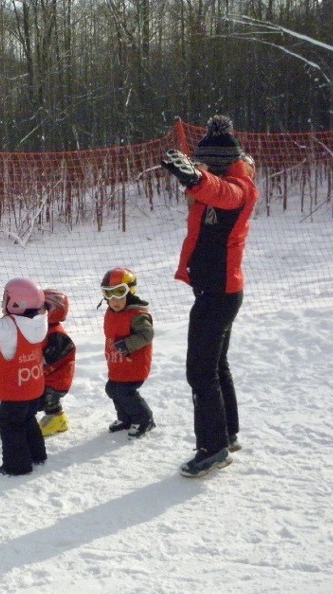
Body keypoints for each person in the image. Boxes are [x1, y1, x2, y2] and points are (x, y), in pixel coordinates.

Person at [161, 114, 259, 478]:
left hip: (219, 294)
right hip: (217, 290)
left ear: (215, 164)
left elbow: (221, 192)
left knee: (200, 372)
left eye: (203, 162)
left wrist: (194, 177)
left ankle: (212, 448)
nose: (198, 165)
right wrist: (196, 179)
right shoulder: (220, 185)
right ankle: (227, 434)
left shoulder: (238, 188)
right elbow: (210, 192)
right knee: (216, 365)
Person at [0, 270, 48, 476]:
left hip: (15, 391)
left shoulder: (9, 327)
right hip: (33, 387)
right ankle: (37, 455)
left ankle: (17, 466)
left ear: (16, 304)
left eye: (6, 298)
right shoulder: (40, 321)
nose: (2, 302)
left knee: (10, 425)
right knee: (28, 418)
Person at [100, 268, 155, 439]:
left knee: (125, 392)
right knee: (112, 389)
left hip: (133, 365)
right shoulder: (112, 312)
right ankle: (125, 418)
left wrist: (127, 345)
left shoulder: (137, 315)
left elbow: (147, 334)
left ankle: (145, 419)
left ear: (130, 292)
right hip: (117, 364)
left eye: (119, 294)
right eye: (109, 295)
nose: (114, 301)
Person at [37, 289, 76, 437]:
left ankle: (57, 418)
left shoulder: (56, 334)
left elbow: (51, 356)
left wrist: (37, 359)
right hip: (50, 376)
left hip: (58, 378)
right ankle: (57, 418)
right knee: (44, 396)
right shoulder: (46, 330)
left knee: (49, 398)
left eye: (40, 307)